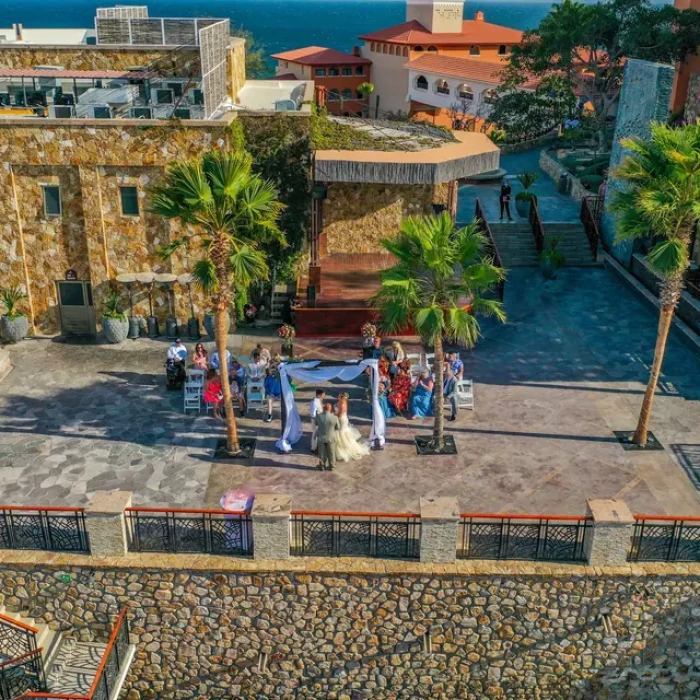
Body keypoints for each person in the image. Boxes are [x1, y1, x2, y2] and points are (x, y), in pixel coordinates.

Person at [334, 392, 371, 462]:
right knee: (339, 432)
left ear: (342, 397)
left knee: (342, 433)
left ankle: (347, 451)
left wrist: (332, 414)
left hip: (342, 420)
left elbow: (339, 415)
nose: (338, 397)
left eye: (339, 396)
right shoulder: (339, 402)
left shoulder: (343, 405)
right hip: (338, 419)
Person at [315, 403, 340, 471]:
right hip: (331, 437)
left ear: (323, 408)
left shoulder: (318, 416)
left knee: (322, 452)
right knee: (331, 452)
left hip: (321, 437)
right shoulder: (334, 417)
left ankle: (322, 465)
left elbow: (316, 423)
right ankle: (332, 466)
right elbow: (338, 427)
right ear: (330, 409)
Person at [263, 354, 282, 423]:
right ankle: (269, 414)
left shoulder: (280, 378)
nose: (273, 371)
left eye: (275, 370)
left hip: (280, 394)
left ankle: (284, 414)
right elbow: (266, 387)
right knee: (269, 400)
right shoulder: (268, 378)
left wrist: (280, 394)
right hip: (272, 394)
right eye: (272, 370)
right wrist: (270, 394)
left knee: (284, 400)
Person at [310, 389, 325, 454]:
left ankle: (317, 446)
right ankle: (314, 448)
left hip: (319, 418)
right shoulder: (314, 401)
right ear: (319, 394)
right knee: (315, 434)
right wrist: (316, 420)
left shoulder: (319, 399)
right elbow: (313, 412)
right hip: (316, 419)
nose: (324, 395)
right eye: (323, 394)